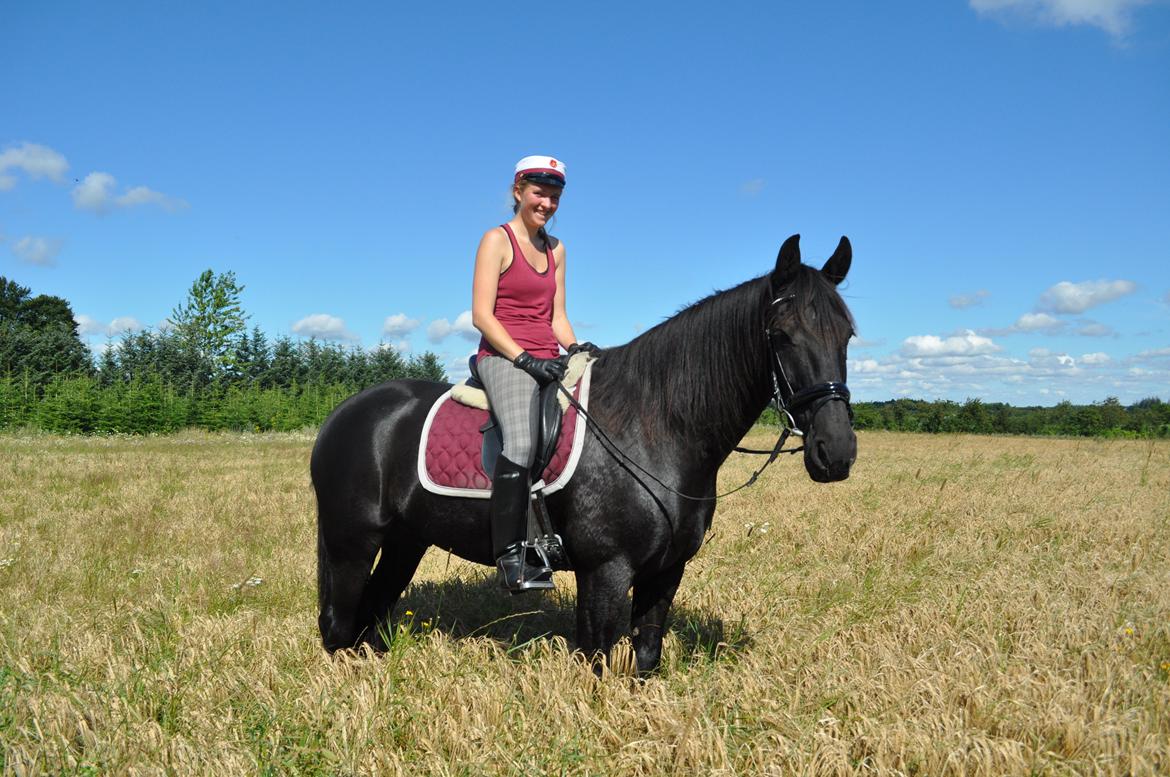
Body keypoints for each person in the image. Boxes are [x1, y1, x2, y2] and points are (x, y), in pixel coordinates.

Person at [471, 155, 598, 593]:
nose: (546, 203)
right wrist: (524, 360)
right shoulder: (497, 241)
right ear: (518, 191)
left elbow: (557, 317)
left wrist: (578, 349)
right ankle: (512, 555)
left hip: (549, 355)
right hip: (504, 357)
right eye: (539, 194)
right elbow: (482, 316)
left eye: (554, 197)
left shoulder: (557, 249)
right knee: (522, 440)